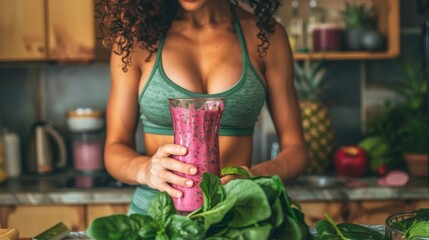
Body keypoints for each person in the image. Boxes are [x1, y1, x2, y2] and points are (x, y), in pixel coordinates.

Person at [98, 0, 309, 214]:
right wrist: (145, 170)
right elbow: (115, 148)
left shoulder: (266, 36)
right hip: (154, 220)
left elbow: (296, 151)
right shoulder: (135, 40)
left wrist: (254, 177)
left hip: (236, 217)